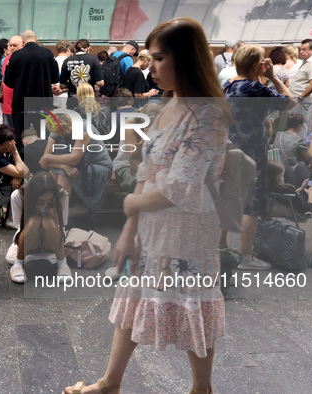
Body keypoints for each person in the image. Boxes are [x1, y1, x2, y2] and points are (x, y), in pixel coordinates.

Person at [64, 17, 230, 394]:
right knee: (133, 298)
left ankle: (201, 388)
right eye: (149, 57)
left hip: (189, 230)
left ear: (184, 59)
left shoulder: (208, 115)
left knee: (193, 304)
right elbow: (147, 168)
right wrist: (129, 229)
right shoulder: (166, 104)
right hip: (155, 225)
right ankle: (110, 382)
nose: (149, 66)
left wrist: (130, 203)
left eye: (158, 58)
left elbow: (177, 187)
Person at [222, 44, 295, 271]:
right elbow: (290, 101)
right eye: (263, 60)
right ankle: (246, 257)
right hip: (252, 150)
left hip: (231, 148)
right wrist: (272, 76)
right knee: (252, 203)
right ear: (256, 65)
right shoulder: (255, 88)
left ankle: (221, 246)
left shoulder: (229, 85)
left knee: (229, 196)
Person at [39, 113, 112, 211]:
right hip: (78, 165)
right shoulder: (55, 129)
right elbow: (44, 162)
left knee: (62, 174)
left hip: (97, 165)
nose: (60, 133)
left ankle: (58, 216)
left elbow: (74, 159)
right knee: (54, 171)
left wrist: (48, 157)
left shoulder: (85, 128)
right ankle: (52, 213)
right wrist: (63, 166)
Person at [9, 172, 70, 284]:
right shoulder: (18, 196)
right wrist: (34, 215)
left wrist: (51, 215)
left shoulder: (62, 195)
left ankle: (62, 263)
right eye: (41, 201)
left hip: (51, 242)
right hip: (29, 241)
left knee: (48, 221)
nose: (45, 205)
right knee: (35, 221)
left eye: (49, 201)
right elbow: (19, 226)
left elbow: (63, 226)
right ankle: (18, 264)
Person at [4, 30, 59, 146]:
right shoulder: (48, 53)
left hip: (21, 104)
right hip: (43, 103)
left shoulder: (16, 56)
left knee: (20, 134)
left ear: (22, 42)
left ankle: (20, 159)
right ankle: (43, 160)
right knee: (44, 134)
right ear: (36, 40)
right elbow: (55, 79)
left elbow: (8, 82)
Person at [288, 39, 312, 138]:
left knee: (300, 124)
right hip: (298, 99)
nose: (301, 52)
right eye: (300, 49)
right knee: (297, 124)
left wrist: (301, 97)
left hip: (302, 100)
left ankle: (301, 148)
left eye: (305, 49)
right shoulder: (307, 61)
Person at [1, 35, 23, 128]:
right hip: (7, 101)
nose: (12, 48)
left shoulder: (24, 59)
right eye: (10, 45)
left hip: (20, 102)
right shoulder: (6, 59)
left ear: (22, 45)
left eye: (15, 45)